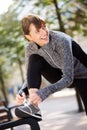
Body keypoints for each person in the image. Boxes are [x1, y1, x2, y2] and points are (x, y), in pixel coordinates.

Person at [15, 14, 87, 121]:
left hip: (83, 76)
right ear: (28, 37)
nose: (44, 32)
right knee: (34, 59)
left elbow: (68, 78)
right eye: (38, 31)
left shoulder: (60, 40)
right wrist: (23, 91)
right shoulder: (30, 48)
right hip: (59, 75)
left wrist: (43, 93)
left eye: (44, 27)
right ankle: (34, 107)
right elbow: (30, 74)